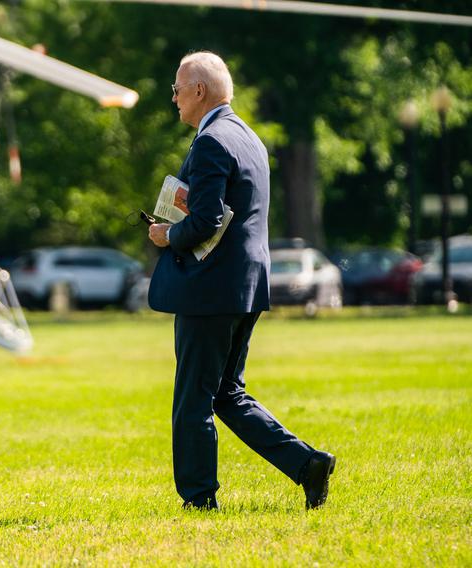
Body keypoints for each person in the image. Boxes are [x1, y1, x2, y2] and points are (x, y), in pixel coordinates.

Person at [147, 51, 335, 511]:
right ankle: (306, 464)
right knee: (228, 393)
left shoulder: (211, 140)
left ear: (199, 90)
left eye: (177, 88)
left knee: (194, 398)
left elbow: (208, 219)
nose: (173, 97)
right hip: (246, 286)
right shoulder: (249, 137)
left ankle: (199, 499)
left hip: (210, 289)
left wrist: (166, 233)